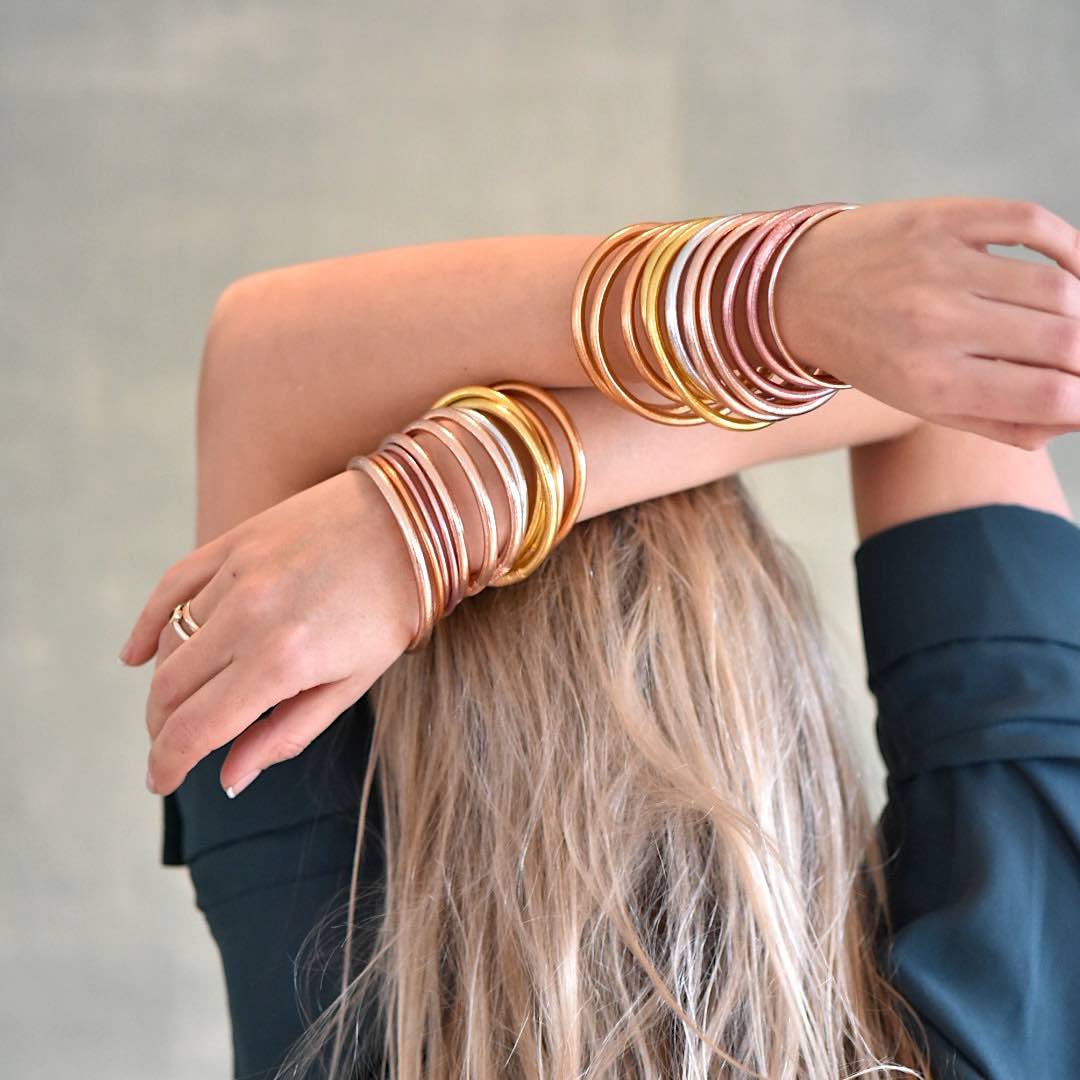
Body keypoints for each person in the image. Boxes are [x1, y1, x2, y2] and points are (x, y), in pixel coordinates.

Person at [120, 196, 1080, 1078]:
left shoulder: (341, 1015)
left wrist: (446, 514)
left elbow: (260, 356)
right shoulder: (988, 1029)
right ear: (765, 693)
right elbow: (973, 364)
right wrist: (444, 510)